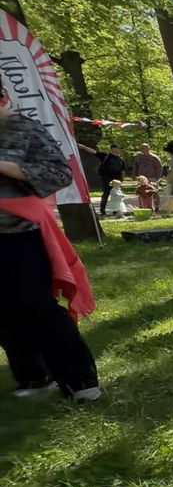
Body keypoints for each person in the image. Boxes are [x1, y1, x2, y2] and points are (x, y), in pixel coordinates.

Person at [0, 80, 100, 401]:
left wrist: (5, 167)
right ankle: (33, 376)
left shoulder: (24, 128)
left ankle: (80, 381)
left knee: (36, 304)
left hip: (21, 233)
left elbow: (59, 173)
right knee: (5, 310)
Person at [77, 141, 126, 216]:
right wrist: (83, 147)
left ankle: (116, 210)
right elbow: (94, 152)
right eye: (119, 148)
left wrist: (122, 179)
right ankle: (102, 210)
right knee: (106, 193)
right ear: (113, 148)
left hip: (117, 179)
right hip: (107, 178)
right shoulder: (105, 156)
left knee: (116, 194)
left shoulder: (120, 159)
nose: (120, 150)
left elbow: (123, 170)